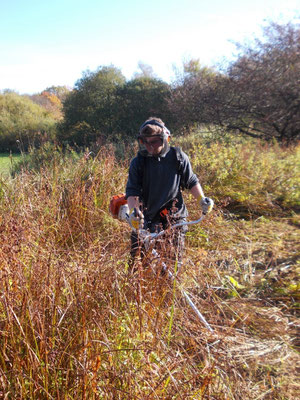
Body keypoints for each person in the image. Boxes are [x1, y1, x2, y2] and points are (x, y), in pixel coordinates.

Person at [125, 117, 213, 271]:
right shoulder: (138, 162)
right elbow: (132, 191)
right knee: (136, 263)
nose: (150, 146)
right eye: (145, 142)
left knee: (172, 263)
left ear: (166, 139)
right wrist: (133, 212)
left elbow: (191, 181)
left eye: (155, 142)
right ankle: (137, 291)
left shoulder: (178, 157)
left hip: (174, 218)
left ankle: (168, 291)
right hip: (146, 219)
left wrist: (202, 199)